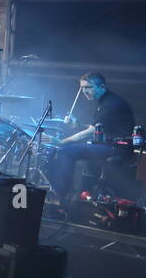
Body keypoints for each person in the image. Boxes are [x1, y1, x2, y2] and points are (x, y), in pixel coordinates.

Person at [52, 72, 137, 203]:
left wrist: (62, 142)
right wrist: (77, 125)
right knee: (69, 149)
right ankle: (71, 193)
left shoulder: (111, 104)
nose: (85, 91)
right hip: (109, 145)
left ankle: (59, 197)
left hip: (117, 148)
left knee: (66, 151)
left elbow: (91, 132)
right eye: (83, 88)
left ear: (102, 86)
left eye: (89, 87)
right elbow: (98, 129)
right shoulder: (105, 102)